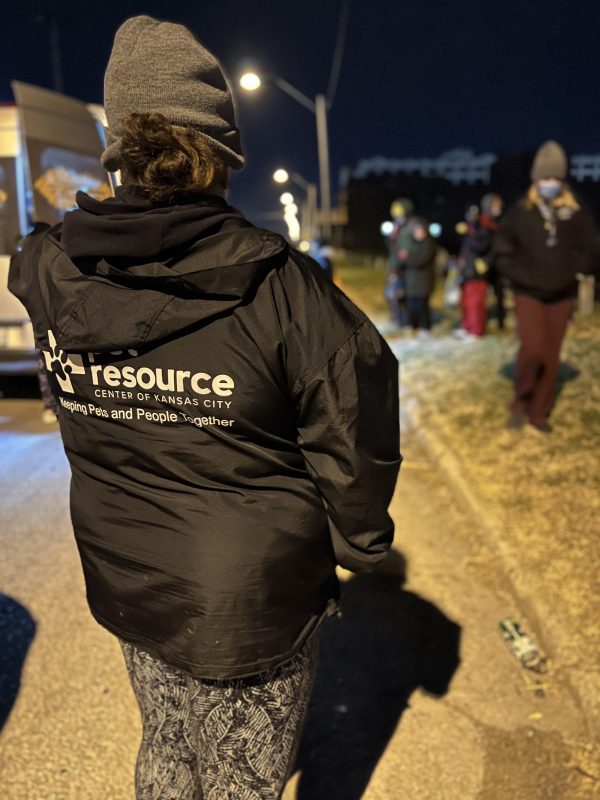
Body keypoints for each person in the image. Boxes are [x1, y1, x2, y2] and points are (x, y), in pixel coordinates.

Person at [8, 16, 401, 800]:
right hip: (248, 600)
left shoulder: (48, 267)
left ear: (118, 146)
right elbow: (354, 421)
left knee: (165, 748)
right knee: (238, 781)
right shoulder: (284, 289)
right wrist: (359, 541)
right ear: (219, 154)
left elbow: (68, 394)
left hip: (130, 576)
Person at [494, 140, 596, 433]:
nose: (549, 183)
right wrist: (515, 274)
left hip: (562, 294)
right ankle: (520, 401)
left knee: (551, 357)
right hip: (528, 293)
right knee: (533, 350)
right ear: (535, 178)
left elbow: (590, 247)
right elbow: (502, 248)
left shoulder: (576, 212)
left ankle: (540, 412)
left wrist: (577, 271)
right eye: (544, 178)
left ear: (562, 179)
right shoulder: (521, 212)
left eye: (555, 178)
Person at [456, 194, 504, 340]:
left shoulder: (489, 226)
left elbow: (483, 244)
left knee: (476, 301)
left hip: (481, 269)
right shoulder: (483, 223)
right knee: (467, 301)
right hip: (470, 268)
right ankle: (469, 327)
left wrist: (469, 234)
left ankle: (476, 330)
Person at [403, 217, 437, 337]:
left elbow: (421, 260)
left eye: (421, 230)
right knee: (412, 305)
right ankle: (413, 325)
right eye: (416, 230)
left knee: (422, 305)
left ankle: (425, 327)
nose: (419, 232)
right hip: (412, 283)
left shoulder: (429, 243)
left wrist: (407, 258)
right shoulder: (412, 243)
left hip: (424, 281)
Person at [384, 197, 414, 328]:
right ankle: (396, 317)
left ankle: (405, 320)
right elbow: (391, 248)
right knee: (391, 294)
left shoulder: (410, 227)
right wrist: (391, 238)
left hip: (406, 268)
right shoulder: (396, 228)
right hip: (394, 266)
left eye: (400, 214)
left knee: (404, 295)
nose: (398, 217)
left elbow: (409, 248)